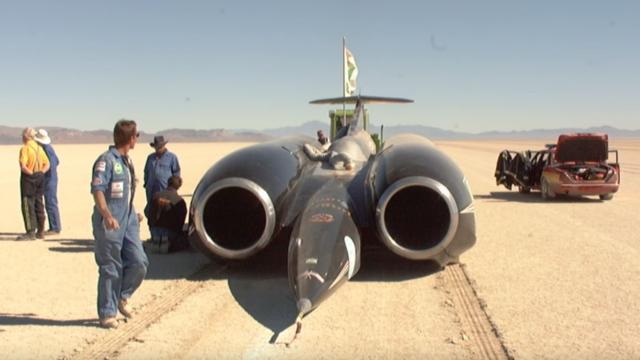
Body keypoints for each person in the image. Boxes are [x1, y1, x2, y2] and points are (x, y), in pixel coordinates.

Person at [91, 119, 148, 329]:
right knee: (111, 267)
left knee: (139, 263)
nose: (137, 140)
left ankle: (122, 297)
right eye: (136, 136)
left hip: (128, 219)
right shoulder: (106, 160)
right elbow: (97, 189)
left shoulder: (127, 161)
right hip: (110, 221)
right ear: (131, 138)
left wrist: (133, 213)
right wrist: (106, 214)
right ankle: (107, 312)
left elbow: (127, 192)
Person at [143, 135, 181, 238]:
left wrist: (174, 188)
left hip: (165, 191)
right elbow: (146, 171)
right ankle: (153, 235)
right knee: (151, 212)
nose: (157, 149)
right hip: (151, 191)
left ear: (163, 146)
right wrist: (146, 183)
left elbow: (176, 173)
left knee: (165, 213)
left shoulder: (172, 157)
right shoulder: (150, 158)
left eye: (159, 146)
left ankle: (166, 237)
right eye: (156, 147)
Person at [18, 128, 50, 240]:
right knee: (39, 202)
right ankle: (41, 230)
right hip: (40, 177)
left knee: (27, 203)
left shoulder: (25, 149)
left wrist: (31, 173)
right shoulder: (39, 148)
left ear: (26, 137)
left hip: (29, 178)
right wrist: (41, 172)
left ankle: (30, 231)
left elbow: (23, 166)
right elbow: (48, 164)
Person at [147, 175, 189, 253]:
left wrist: (151, 227)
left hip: (154, 230)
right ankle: (167, 242)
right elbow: (181, 220)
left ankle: (157, 239)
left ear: (168, 183)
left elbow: (149, 213)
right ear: (179, 186)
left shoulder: (156, 195)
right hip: (170, 232)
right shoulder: (180, 201)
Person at [34, 129, 62, 235]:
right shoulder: (50, 148)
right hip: (52, 178)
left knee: (51, 202)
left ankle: (55, 227)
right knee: (50, 202)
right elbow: (57, 161)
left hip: (49, 179)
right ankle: (54, 226)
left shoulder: (46, 149)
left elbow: (51, 164)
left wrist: (41, 172)